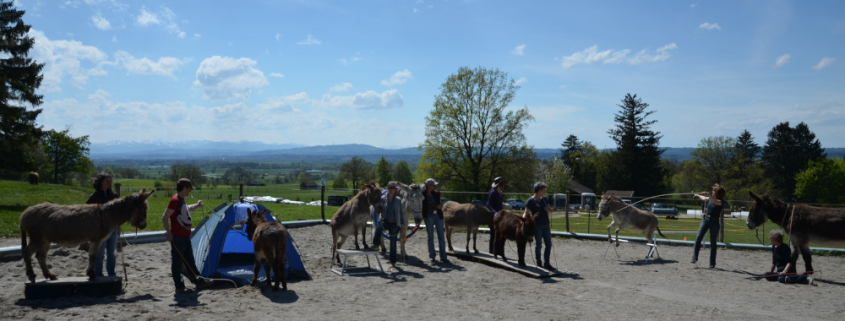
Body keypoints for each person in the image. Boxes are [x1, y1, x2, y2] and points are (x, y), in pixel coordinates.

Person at [162, 178, 212, 294]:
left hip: (185, 236)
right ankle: (179, 286)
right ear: (184, 188)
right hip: (178, 236)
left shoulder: (181, 200)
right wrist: (169, 233)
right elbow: (165, 217)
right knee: (177, 262)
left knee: (190, 260)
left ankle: (199, 281)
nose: (190, 191)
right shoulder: (175, 200)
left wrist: (197, 205)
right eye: (189, 189)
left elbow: (186, 209)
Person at [88, 172, 119, 277]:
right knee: (100, 254)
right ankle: (99, 274)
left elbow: (119, 212)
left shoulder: (114, 196)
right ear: (101, 182)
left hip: (112, 228)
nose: (109, 183)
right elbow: (87, 211)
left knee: (111, 253)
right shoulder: (94, 197)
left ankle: (111, 274)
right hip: (99, 230)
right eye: (107, 181)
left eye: (110, 181)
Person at [692, 183, 727, 268]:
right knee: (698, 237)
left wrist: (708, 195)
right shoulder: (711, 199)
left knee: (713, 242)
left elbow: (715, 201)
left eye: (713, 191)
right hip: (706, 220)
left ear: (717, 193)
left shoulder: (720, 202)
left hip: (714, 222)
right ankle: (695, 257)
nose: (712, 192)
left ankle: (712, 263)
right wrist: (697, 195)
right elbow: (704, 198)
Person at [524, 182, 554, 270]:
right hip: (537, 226)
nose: (545, 192)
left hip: (546, 224)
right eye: (544, 190)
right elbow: (526, 212)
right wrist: (523, 221)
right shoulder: (530, 201)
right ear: (539, 191)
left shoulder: (544, 199)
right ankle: (539, 262)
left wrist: (548, 209)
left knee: (548, 244)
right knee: (539, 244)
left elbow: (550, 210)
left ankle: (547, 263)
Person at [377, 181, 404, 269]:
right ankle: (375, 244)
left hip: (395, 223)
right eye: (391, 187)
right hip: (385, 220)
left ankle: (392, 261)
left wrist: (402, 224)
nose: (392, 189)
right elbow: (379, 208)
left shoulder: (398, 200)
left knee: (393, 243)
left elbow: (400, 213)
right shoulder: (383, 198)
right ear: (388, 188)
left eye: (394, 188)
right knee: (379, 226)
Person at [422, 178, 449, 264]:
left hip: (437, 215)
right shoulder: (422, 195)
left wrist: (438, 206)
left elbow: (441, 204)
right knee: (430, 237)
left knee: (441, 236)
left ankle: (443, 256)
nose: (434, 186)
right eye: (433, 185)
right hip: (428, 216)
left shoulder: (437, 194)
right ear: (429, 186)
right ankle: (432, 256)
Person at [486, 177, 506, 254]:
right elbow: (489, 204)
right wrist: (495, 212)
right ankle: (492, 251)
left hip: (500, 216)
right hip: (493, 216)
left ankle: (499, 251)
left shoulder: (501, 192)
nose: (503, 184)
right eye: (502, 183)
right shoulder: (492, 192)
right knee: (493, 234)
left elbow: (500, 204)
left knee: (500, 234)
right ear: (499, 184)